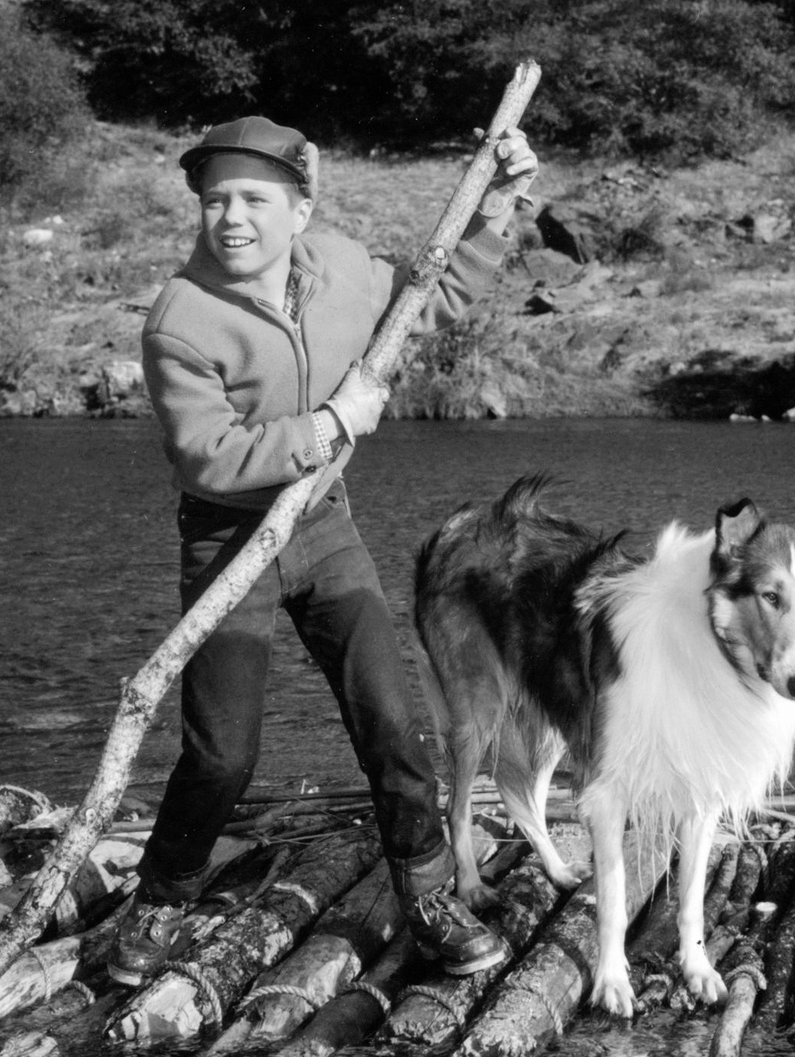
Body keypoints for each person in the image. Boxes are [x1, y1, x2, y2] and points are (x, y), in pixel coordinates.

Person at [110, 111, 538, 987]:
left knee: (393, 720)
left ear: (300, 210)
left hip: (324, 525)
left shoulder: (343, 268)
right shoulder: (179, 321)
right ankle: (160, 897)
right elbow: (208, 455)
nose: (232, 218)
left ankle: (424, 897)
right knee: (223, 753)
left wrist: (498, 206)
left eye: (255, 200)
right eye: (216, 201)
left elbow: (437, 298)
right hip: (229, 538)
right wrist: (325, 426)